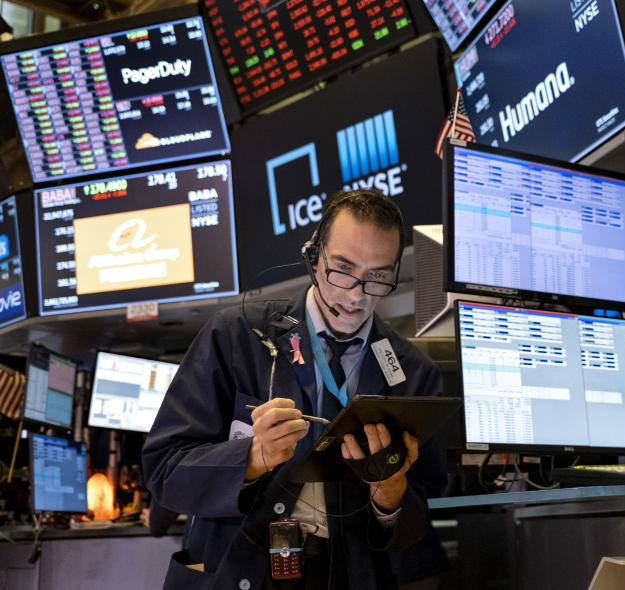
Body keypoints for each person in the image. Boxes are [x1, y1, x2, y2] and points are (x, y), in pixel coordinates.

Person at [143, 189, 448, 590]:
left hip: (348, 574)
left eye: (377, 277)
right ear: (314, 255)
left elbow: (421, 517)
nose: (356, 294)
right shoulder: (235, 336)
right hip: (239, 570)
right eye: (343, 268)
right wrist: (253, 456)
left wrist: (390, 495)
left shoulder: (414, 373)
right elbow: (165, 472)